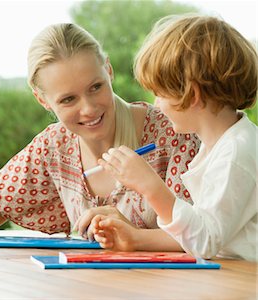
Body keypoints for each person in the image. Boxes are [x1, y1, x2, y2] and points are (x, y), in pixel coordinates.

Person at [0, 23, 200, 251]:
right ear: (42, 100)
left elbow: (209, 233)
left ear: (108, 70)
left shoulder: (173, 133)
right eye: (68, 99)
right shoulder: (53, 147)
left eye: (95, 87)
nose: (88, 108)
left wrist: (132, 233)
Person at [94, 14, 257, 261]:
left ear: (191, 95)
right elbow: (203, 230)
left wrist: (150, 186)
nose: (156, 105)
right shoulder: (218, 145)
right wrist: (135, 238)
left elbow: (205, 241)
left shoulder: (236, 152)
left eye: (159, 94)